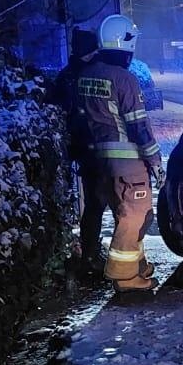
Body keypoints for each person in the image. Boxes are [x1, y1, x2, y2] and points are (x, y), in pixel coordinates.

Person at [67, 14, 163, 291]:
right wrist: (155, 161)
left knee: (125, 216)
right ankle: (124, 277)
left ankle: (139, 267)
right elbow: (138, 126)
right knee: (135, 217)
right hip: (127, 163)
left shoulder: (86, 75)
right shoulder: (124, 79)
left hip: (97, 161)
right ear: (125, 43)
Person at [50, 27, 106, 273]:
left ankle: (90, 254)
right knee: (106, 205)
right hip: (100, 148)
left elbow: (54, 105)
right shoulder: (96, 73)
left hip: (81, 148)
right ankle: (104, 257)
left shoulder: (67, 75)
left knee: (93, 205)